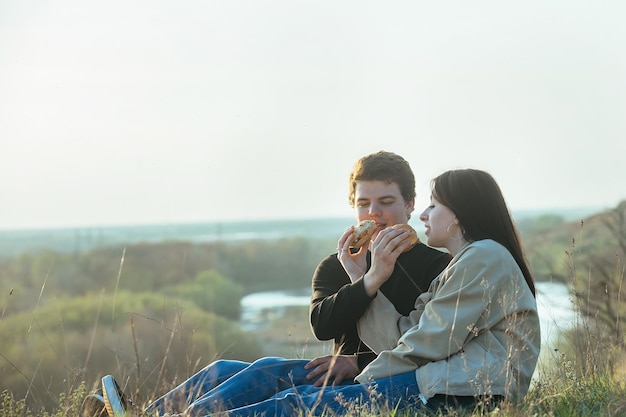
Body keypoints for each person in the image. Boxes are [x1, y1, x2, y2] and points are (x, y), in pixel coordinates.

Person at [92, 167, 542, 416]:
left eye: (432, 204)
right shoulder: (464, 264)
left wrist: (361, 372)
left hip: (455, 394)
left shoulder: (480, 258)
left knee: (296, 403)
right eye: (364, 203)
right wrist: (361, 278)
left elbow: (425, 346)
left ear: (459, 215)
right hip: (428, 382)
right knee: (265, 370)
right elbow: (403, 335)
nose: (425, 213)